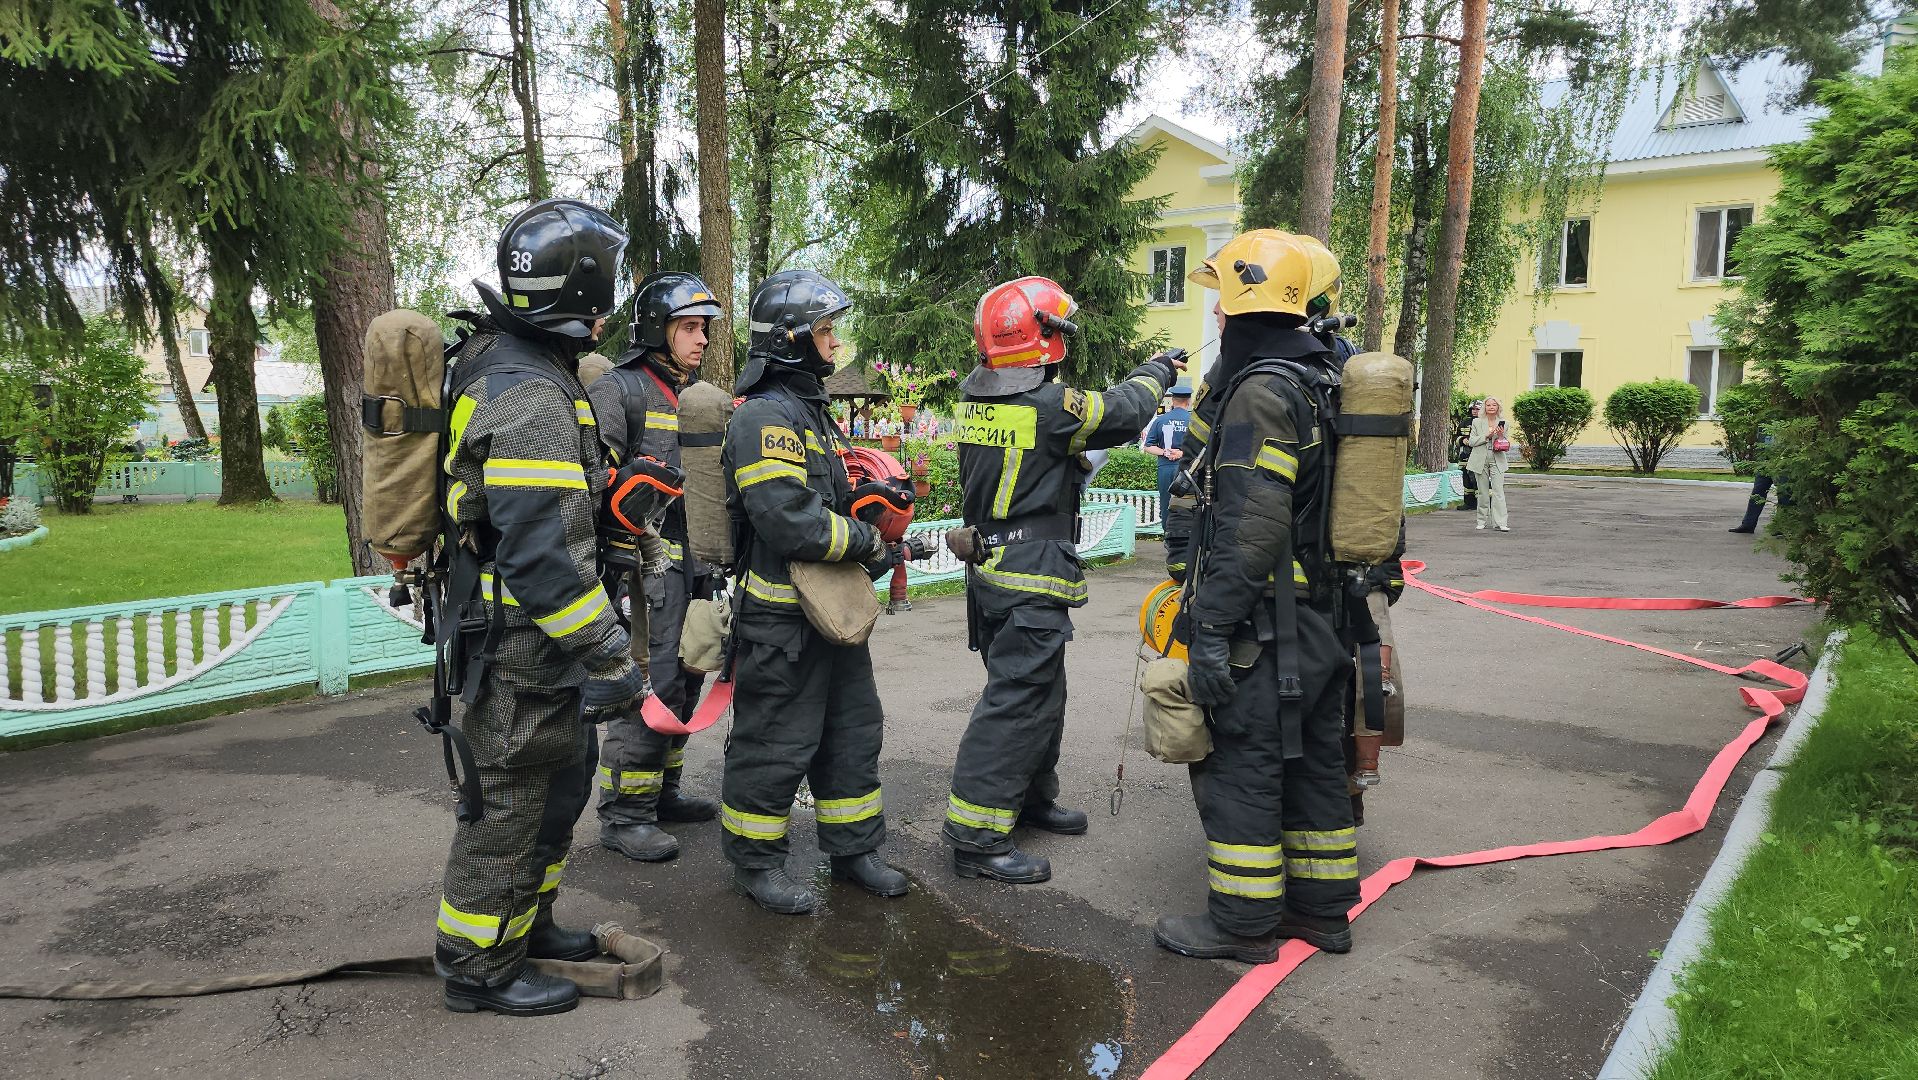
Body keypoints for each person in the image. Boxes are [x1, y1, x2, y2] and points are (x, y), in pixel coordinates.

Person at [434, 198, 646, 1015]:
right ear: (583, 293)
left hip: (537, 646)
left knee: (558, 787)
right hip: (522, 647)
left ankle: (528, 927)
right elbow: (541, 558)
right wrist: (610, 655)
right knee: (510, 805)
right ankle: (478, 969)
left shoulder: (522, 362)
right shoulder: (529, 395)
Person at [1154, 229, 1360, 964]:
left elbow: (1251, 523)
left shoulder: (1261, 393)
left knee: (1243, 767)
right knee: (1314, 766)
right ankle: (1322, 913)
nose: (1215, 314)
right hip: (1323, 621)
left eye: (1221, 300)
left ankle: (1241, 926)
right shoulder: (1321, 376)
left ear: (1244, 304)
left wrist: (1210, 629)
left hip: (1268, 628)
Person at [942, 276, 1183, 885]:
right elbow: (1125, 411)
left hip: (996, 573)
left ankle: (1029, 799)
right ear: (1045, 337)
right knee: (1017, 703)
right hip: (1029, 579)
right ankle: (976, 837)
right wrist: (1157, 370)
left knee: (1041, 696)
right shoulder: (1049, 408)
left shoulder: (978, 402)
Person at [719, 269, 908, 914]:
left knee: (853, 732)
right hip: (782, 623)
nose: (834, 341)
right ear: (792, 339)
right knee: (774, 744)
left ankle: (853, 850)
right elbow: (788, 519)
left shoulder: (811, 413)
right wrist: (866, 541)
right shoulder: (764, 417)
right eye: (825, 330)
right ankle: (756, 861)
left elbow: (828, 501)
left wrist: (873, 506)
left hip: (833, 615)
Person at [585, 271, 725, 863]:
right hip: (643, 567)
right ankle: (625, 813)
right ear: (656, 330)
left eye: (704, 329)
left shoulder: (696, 397)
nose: (702, 340)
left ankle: (663, 792)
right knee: (650, 681)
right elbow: (596, 482)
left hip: (694, 561)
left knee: (689, 672)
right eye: (689, 327)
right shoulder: (620, 390)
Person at [1143, 381, 1194, 521]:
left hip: (1165, 467)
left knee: (1166, 503)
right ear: (1188, 401)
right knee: (1187, 503)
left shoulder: (1160, 420)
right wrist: (1181, 453)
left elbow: (1148, 446)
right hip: (1187, 468)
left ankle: (1167, 532)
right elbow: (1201, 447)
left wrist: (1165, 452)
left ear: (1172, 400)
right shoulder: (1193, 421)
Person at [1730, 430, 1789, 533]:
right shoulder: (1762, 424)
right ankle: (1748, 525)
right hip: (1764, 462)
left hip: (1783, 463)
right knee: (1757, 493)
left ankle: (1782, 527)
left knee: (1784, 494)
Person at [1467, 397, 1511, 531]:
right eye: (1488, 405)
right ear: (1484, 407)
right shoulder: (1477, 422)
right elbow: (1472, 441)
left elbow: (1505, 443)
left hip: (1497, 459)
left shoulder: (1504, 423)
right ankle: (1481, 520)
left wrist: (1501, 436)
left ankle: (1501, 522)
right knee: (1482, 492)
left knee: (1498, 492)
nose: (1491, 407)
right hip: (1480, 459)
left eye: (1494, 405)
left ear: (1498, 407)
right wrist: (1486, 436)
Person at [1454, 401, 1481, 512]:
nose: (1475, 411)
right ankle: (1469, 503)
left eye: (1477, 409)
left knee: (1478, 480)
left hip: (1479, 456)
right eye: (1473, 409)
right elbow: (1456, 437)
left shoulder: (1485, 422)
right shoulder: (1465, 422)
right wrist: (1462, 440)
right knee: (1467, 480)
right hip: (1465, 456)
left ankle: (1482, 504)